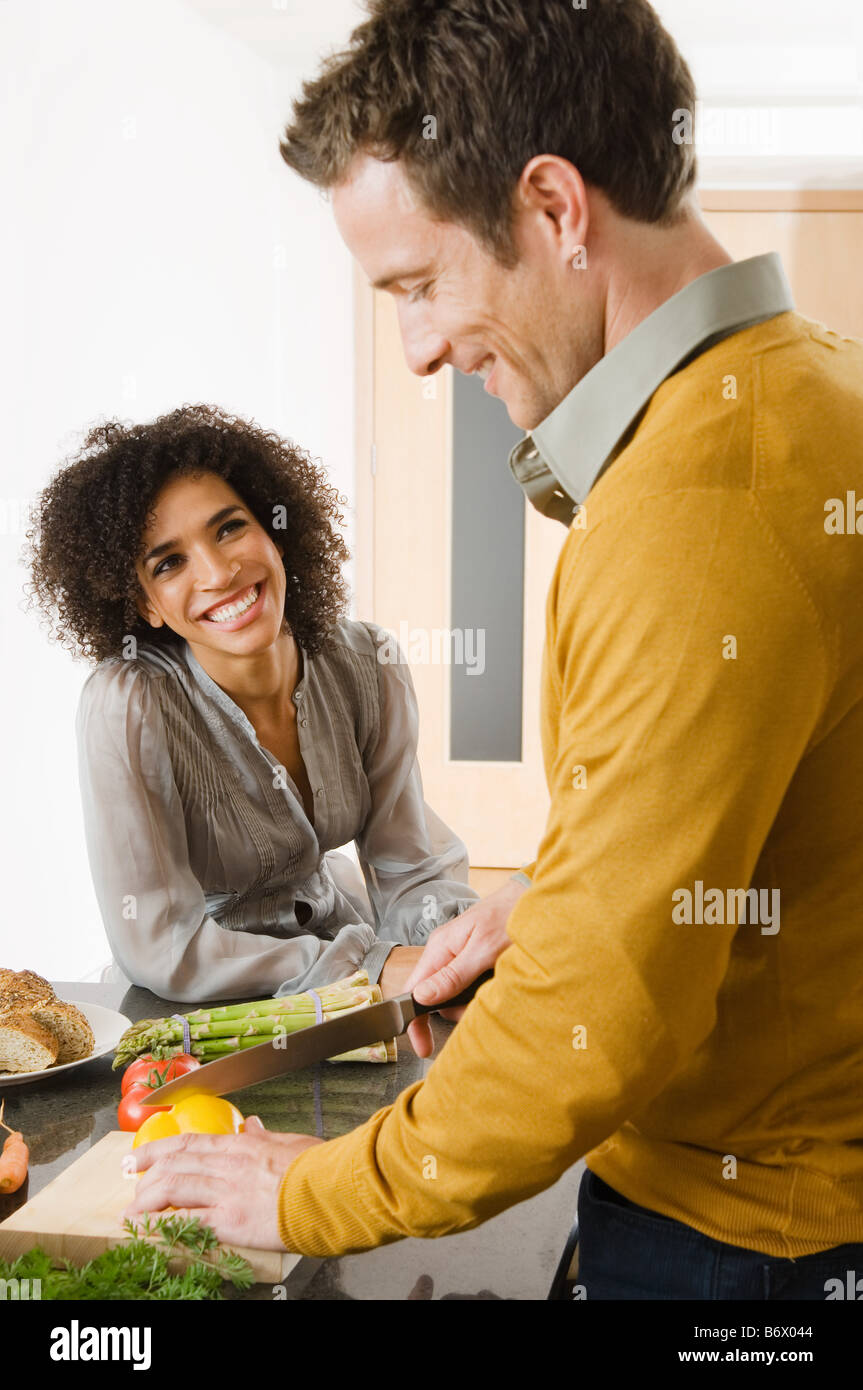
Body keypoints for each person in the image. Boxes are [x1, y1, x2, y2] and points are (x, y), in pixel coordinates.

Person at [121, 0, 863, 1299]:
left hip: (746, 1251)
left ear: (554, 210)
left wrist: (300, 1188)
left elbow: (598, 1021)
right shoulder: (806, 393)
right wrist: (568, 889)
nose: (412, 348)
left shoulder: (694, 507)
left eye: (418, 284)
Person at [25, 402, 501, 1004]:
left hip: (345, 963)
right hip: (198, 1008)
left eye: (229, 527)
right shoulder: (126, 706)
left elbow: (410, 869)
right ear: (143, 604)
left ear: (275, 531)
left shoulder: (367, 663)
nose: (220, 572)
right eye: (169, 563)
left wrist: (453, 952)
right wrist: (371, 965)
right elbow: (161, 944)